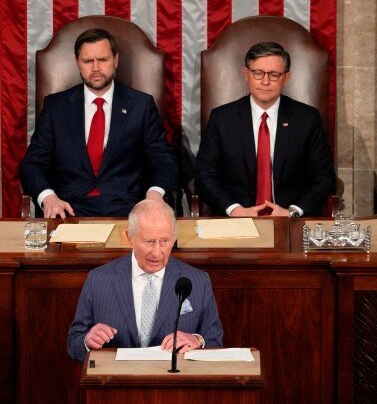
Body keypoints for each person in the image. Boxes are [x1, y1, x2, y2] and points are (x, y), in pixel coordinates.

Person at [19, 28, 178, 218]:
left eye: (103, 60)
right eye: (87, 61)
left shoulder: (141, 105)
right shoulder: (56, 107)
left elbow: (164, 160)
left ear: (115, 61)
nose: (95, 68)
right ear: (78, 63)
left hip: (127, 210)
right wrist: (48, 197)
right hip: (68, 210)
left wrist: (154, 194)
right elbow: (32, 165)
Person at [67, 200, 223, 362]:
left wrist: (197, 341)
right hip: (117, 383)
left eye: (164, 241)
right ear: (130, 238)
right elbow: (73, 344)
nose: (157, 252)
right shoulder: (98, 280)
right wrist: (87, 341)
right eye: (149, 241)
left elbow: (215, 342)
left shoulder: (198, 281)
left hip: (174, 383)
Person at [195, 41, 335, 218]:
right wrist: (234, 209)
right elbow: (204, 176)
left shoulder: (306, 119)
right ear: (246, 74)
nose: (265, 81)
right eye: (258, 73)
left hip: (289, 221)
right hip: (236, 220)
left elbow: (324, 177)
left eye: (274, 74)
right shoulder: (222, 119)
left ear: (287, 77)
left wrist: (292, 211)